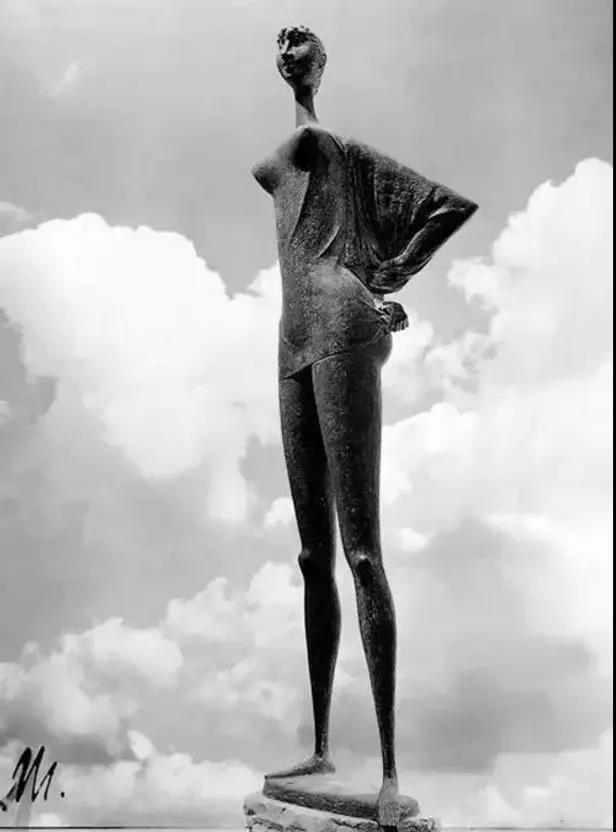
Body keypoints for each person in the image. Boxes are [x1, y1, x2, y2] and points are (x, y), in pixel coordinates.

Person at [252, 25, 477, 826]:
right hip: (292, 339)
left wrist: (383, 276)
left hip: (343, 325)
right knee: (312, 554)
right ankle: (320, 747)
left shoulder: (327, 146)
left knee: (360, 550)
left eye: (301, 44)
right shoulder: (289, 160)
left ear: (319, 63)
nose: (287, 46)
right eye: (281, 43)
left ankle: (387, 770)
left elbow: (446, 207)